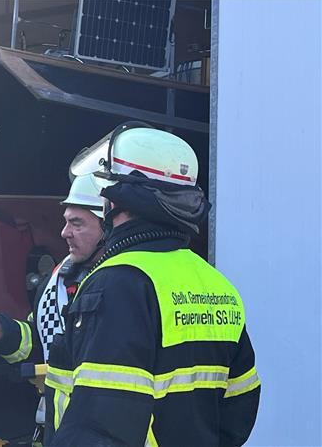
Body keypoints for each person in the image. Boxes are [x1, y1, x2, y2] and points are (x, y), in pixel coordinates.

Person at [44, 122, 260, 445]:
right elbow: (241, 405)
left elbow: (98, 429)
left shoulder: (116, 284)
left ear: (119, 201)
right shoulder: (218, 286)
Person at [0, 173, 105, 362]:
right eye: (66, 222)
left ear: (108, 226)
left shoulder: (129, 281)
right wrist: (6, 332)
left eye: (77, 224)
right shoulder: (55, 283)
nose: (64, 232)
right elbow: (43, 338)